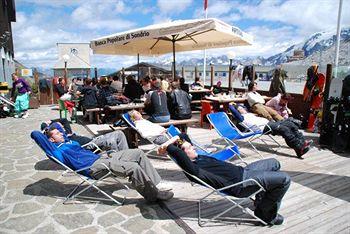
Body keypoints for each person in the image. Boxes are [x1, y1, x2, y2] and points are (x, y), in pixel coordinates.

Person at [159, 135, 290, 226]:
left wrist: (176, 139)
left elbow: (183, 136)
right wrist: (167, 146)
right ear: (183, 155)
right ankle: (266, 215)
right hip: (241, 184)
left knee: (274, 163)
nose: (194, 147)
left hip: (243, 171)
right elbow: (175, 151)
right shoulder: (193, 169)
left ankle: (261, 201)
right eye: (190, 148)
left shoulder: (196, 158)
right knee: (284, 180)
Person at [44, 127, 174, 202]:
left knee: (138, 153)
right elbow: (36, 135)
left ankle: (154, 184)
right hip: (93, 167)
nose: (61, 133)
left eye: (59, 132)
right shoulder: (59, 150)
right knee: (133, 167)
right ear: (51, 139)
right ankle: (153, 196)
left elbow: (65, 135)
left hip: (101, 158)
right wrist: (45, 134)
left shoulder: (69, 143)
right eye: (57, 133)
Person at [231, 104, 312, 158]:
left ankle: (302, 142)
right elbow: (231, 108)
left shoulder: (249, 114)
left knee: (290, 124)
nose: (243, 109)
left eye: (243, 108)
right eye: (240, 109)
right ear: (238, 111)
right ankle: (299, 148)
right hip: (263, 127)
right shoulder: (241, 118)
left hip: (269, 123)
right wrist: (233, 104)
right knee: (284, 129)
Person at [41, 118, 130, 152]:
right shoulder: (64, 138)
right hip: (90, 145)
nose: (61, 130)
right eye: (59, 130)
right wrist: (46, 124)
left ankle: (124, 157)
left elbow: (64, 120)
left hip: (93, 140)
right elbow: (45, 128)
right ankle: (121, 160)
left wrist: (51, 121)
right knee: (113, 140)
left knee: (119, 133)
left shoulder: (67, 133)